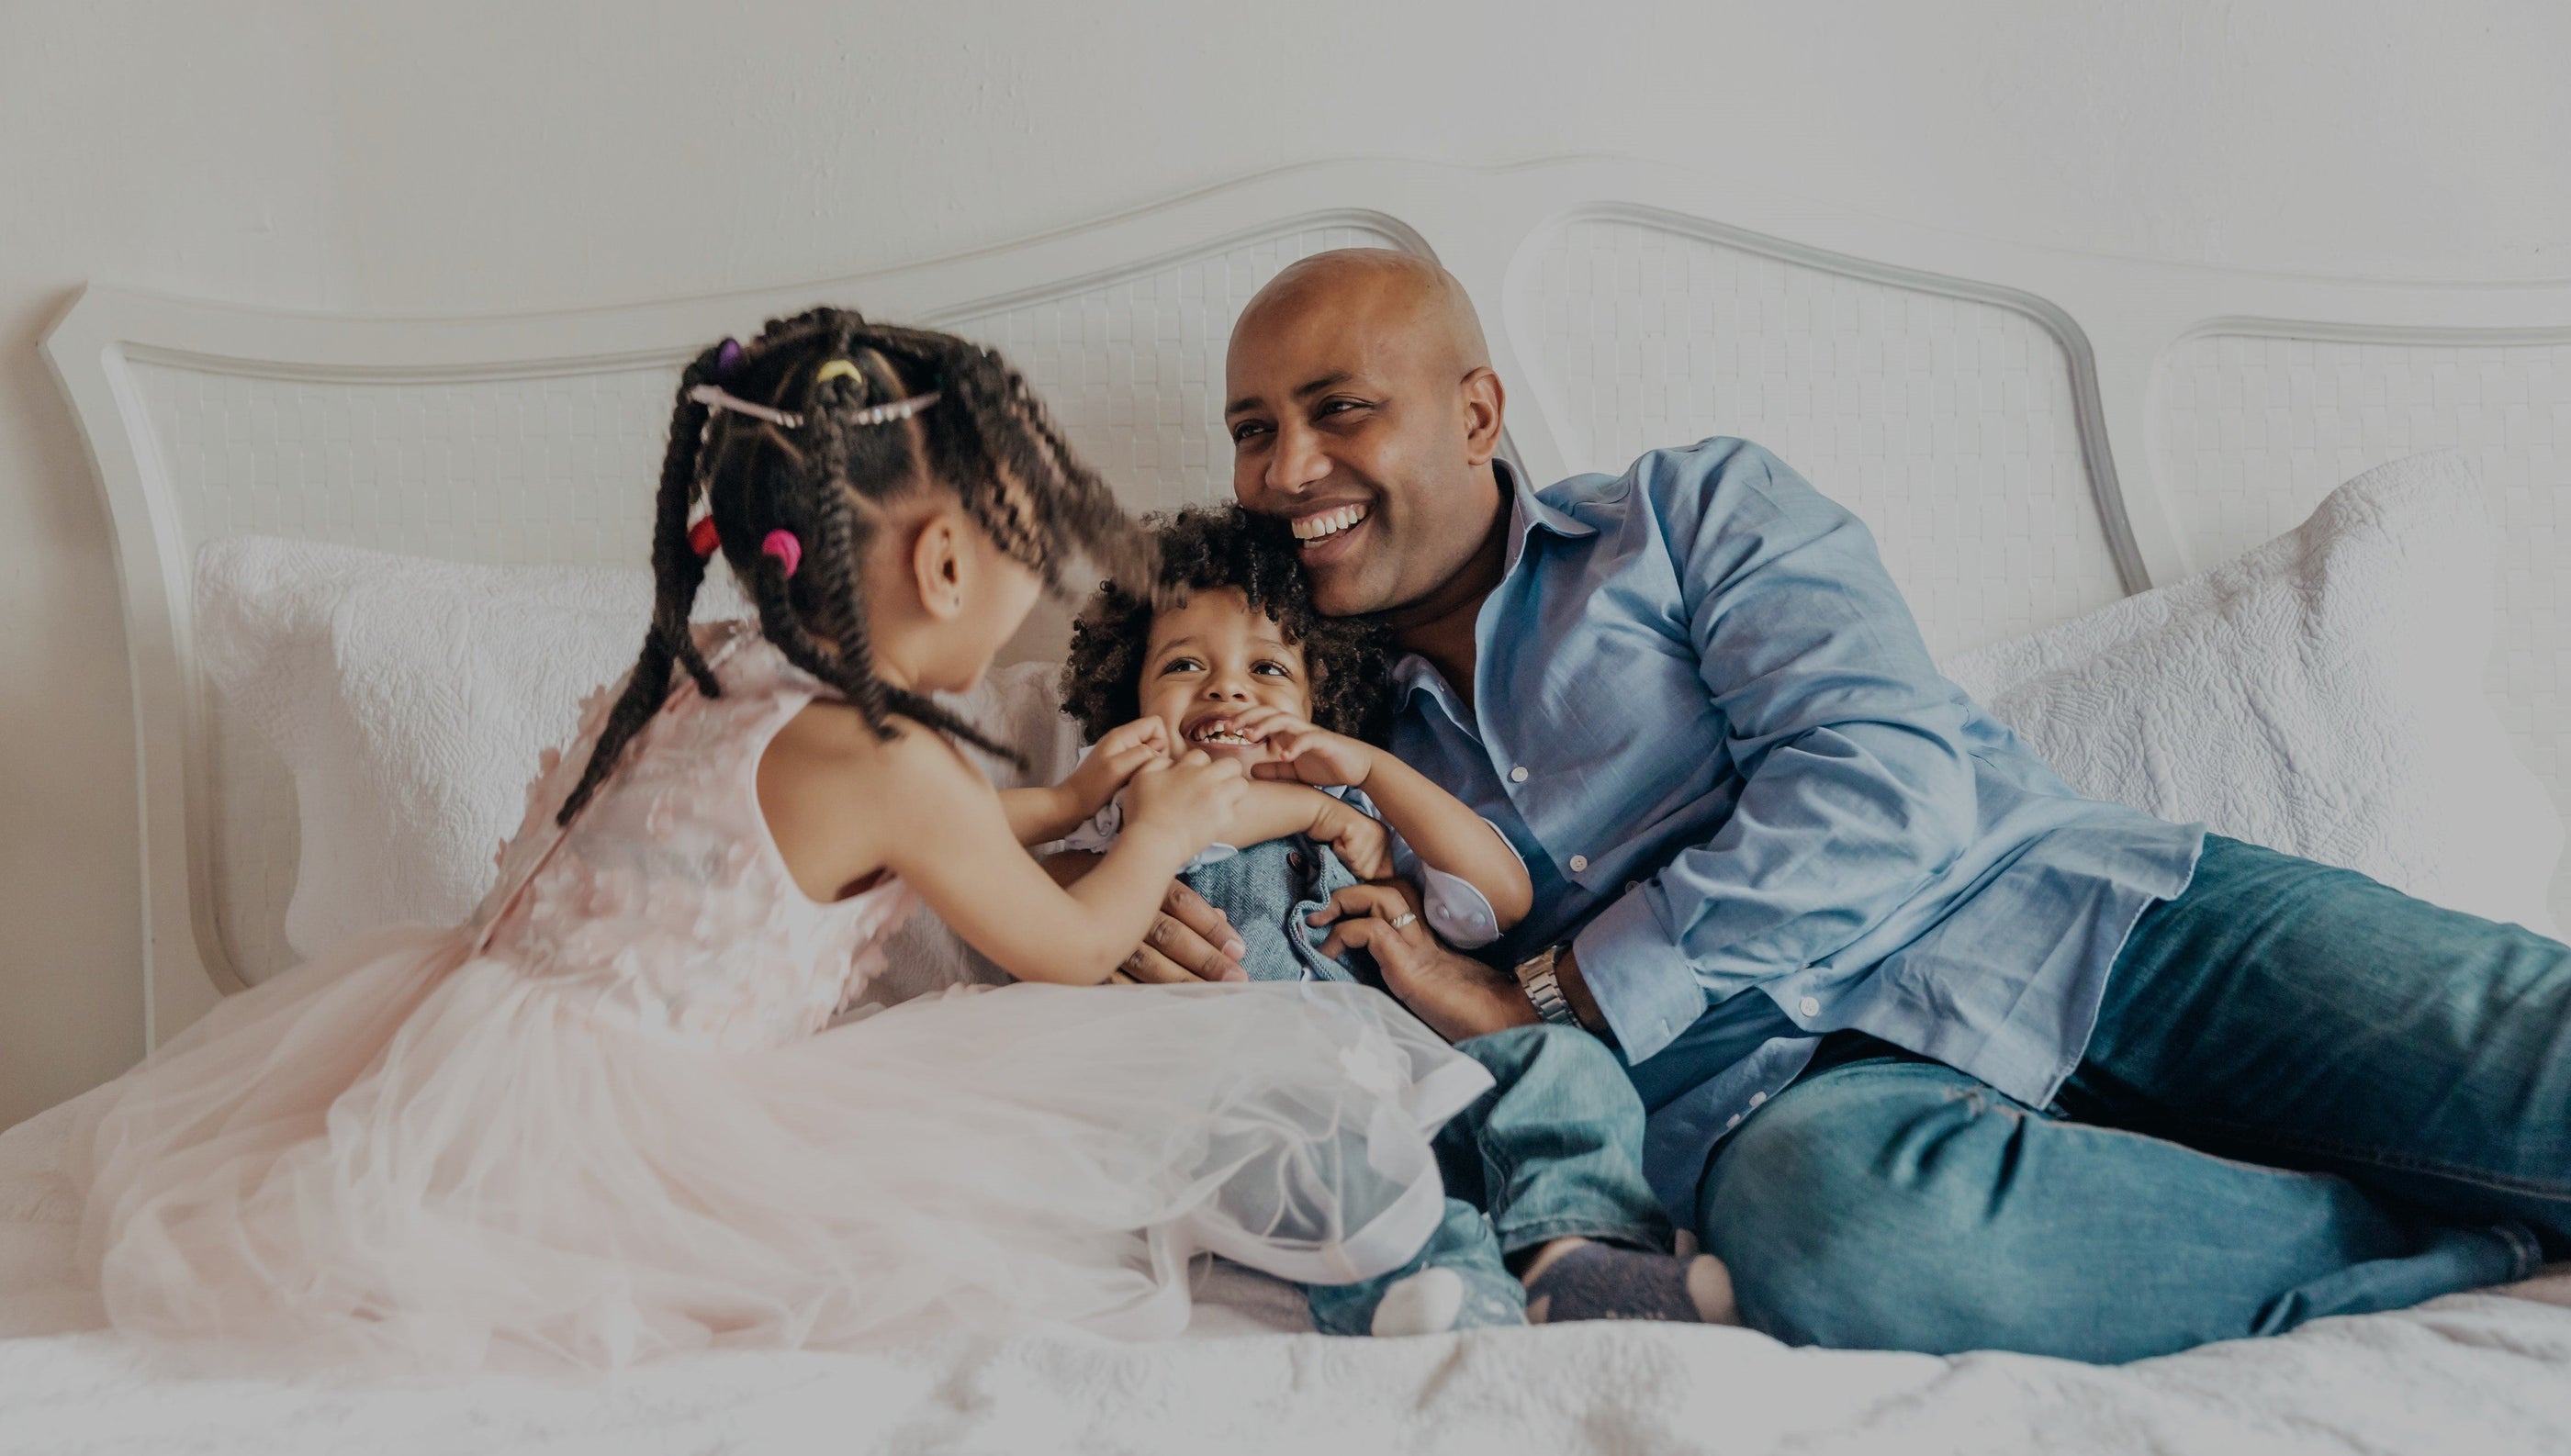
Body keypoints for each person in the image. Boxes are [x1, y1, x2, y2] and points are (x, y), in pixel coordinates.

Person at [1176, 246, 2571, 1364]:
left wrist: (1566, 992)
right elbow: (1305, 1002)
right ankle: (2466, 1232)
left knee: (2529, 1061)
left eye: (1336, 409)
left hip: (2082, 917)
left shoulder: (1689, 513)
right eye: (1252, 431)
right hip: (1783, 1111)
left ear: (1477, 413)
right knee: (1841, 1237)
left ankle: (2446, 1157)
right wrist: (1162, 928)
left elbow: (1881, 778)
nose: (1285, 469)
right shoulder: (1296, 726)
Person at [63, 308, 1489, 1377]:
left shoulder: (722, 670)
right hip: (642, 1130)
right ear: (944, 563)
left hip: (460, 1065)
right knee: (1051, 1167)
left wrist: (1053, 807)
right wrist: (1155, 823)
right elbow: (1064, 943)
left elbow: (808, 847)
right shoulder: (893, 752)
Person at [1052, 504, 1733, 1334]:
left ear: (1320, 700)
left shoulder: (1352, 798)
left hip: (1403, 1080)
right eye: (1185, 664)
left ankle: (1580, 1254)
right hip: (1255, 1110)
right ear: (1130, 701)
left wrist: (1370, 778)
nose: (1227, 686)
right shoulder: (1136, 804)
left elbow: (1500, 898)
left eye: (1267, 670)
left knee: (1560, 1065)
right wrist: (1310, 814)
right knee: (1317, 1159)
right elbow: (1040, 893)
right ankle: (1426, 1281)